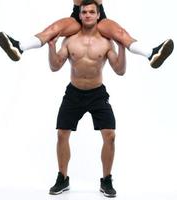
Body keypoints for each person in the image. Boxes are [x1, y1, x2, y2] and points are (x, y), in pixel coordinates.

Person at [47, 0, 125, 197]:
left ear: (99, 15)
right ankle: (62, 178)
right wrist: (51, 47)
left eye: (92, 12)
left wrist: (122, 48)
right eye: (85, 12)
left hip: (97, 94)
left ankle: (106, 181)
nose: (88, 15)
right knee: (62, 134)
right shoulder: (70, 40)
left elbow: (120, 70)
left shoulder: (106, 42)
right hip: (74, 93)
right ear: (79, 15)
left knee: (110, 136)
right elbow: (55, 66)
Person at [0, 0, 174, 68]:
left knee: (120, 33)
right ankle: (19, 47)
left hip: (99, 15)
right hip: (78, 15)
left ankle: (151, 54)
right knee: (51, 31)